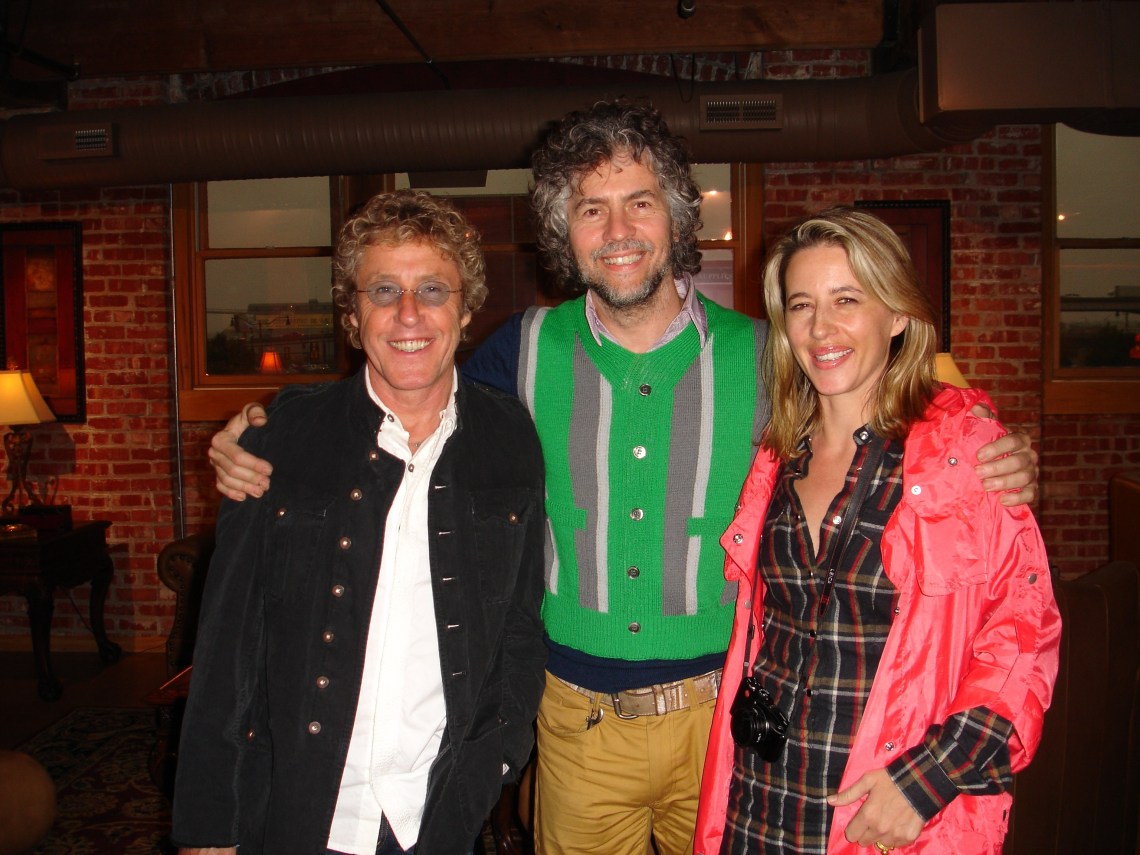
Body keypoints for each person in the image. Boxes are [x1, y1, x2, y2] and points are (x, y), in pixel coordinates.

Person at [207, 102, 1040, 855]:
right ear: (562, 232)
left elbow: (895, 383)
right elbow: (406, 388)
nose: (617, 229)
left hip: (728, 723)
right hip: (578, 722)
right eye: (589, 208)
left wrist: (993, 441)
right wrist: (269, 432)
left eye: (640, 202)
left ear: (676, 216)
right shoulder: (521, 350)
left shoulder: (769, 353)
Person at [171, 190, 547, 855]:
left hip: (439, 811)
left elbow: (519, 626)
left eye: (433, 289)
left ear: (465, 310)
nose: (410, 313)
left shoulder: (510, 437)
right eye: (384, 290)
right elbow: (227, 643)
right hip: (297, 810)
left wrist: (493, 761)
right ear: (352, 314)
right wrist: (210, 822)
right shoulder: (280, 439)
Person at [695, 206, 1060, 855]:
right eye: (802, 305)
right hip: (760, 800)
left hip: (884, 811)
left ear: (896, 314)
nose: (821, 327)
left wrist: (929, 779)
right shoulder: (776, 455)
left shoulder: (963, 453)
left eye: (847, 299)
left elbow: (1022, 636)